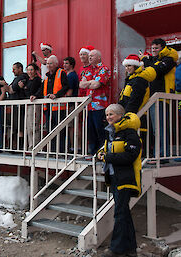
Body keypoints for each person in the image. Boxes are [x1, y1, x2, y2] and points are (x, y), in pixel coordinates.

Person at [98, 104, 141, 257]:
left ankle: (116, 249)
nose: (108, 117)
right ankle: (130, 249)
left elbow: (131, 155)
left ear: (120, 115)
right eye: (107, 114)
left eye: (112, 114)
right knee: (124, 213)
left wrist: (108, 157)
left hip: (125, 178)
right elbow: (109, 149)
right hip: (114, 177)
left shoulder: (130, 133)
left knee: (120, 213)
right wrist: (101, 153)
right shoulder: (111, 133)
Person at [140, 38, 178, 162]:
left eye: (156, 48)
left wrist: (145, 60)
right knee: (156, 128)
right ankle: (159, 154)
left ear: (163, 47)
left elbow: (156, 70)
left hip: (161, 97)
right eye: (152, 48)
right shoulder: (156, 60)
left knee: (160, 128)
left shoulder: (168, 60)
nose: (154, 50)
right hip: (153, 98)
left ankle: (162, 155)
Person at [31, 55, 69, 153]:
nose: (48, 65)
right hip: (48, 108)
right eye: (47, 63)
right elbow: (42, 89)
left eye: (50, 63)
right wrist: (35, 95)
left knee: (60, 130)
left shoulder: (61, 73)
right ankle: (52, 150)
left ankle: (61, 151)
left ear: (56, 64)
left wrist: (56, 95)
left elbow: (66, 87)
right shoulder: (47, 76)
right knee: (50, 130)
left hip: (60, 108)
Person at [80, 49, 111, 156]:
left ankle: (102, 152)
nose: (90, 57)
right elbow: (81, 85)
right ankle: (93, 153)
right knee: (90, 131)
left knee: (100, 130)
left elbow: (96, 85)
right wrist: (90, 83)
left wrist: (88, 83)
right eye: (89, 56)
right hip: (89, 106)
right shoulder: (88, 71)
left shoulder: (104, 69)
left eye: (92, 56)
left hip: (100, 106)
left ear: (98, 57)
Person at [6, 62, 29, 150]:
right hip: (15, 106)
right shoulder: (16, 78)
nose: (12, 71)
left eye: (14, 69)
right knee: (15, 126)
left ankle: (20, 147)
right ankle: (15, 146)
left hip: (20, 106)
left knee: (20, 126)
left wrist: (7, 86)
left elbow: (12, 90)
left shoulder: (23, 77)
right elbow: (10, 89)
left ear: (20, 68)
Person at [24, 63, 42, 150]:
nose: (29, 72)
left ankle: (35, 146)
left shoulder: (37, 80)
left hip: (34, 104)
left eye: (31, 70)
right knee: (28, 126)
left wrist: (26, 89)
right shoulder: (28, 80)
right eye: (28, 70)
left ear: (35, 71)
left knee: (34, 125)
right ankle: (30, 146)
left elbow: (31, 91)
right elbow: (26, 92)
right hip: (28, 104)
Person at [63, 57, 79, 152]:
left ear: (71, 65)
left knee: (71, 126)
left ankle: (73, 147)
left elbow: (69, 91)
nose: (64, 65)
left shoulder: (71, 76)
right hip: (70, 104)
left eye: (67, 63)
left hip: (70, 104)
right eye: (64, 63)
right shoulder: (68, 75)